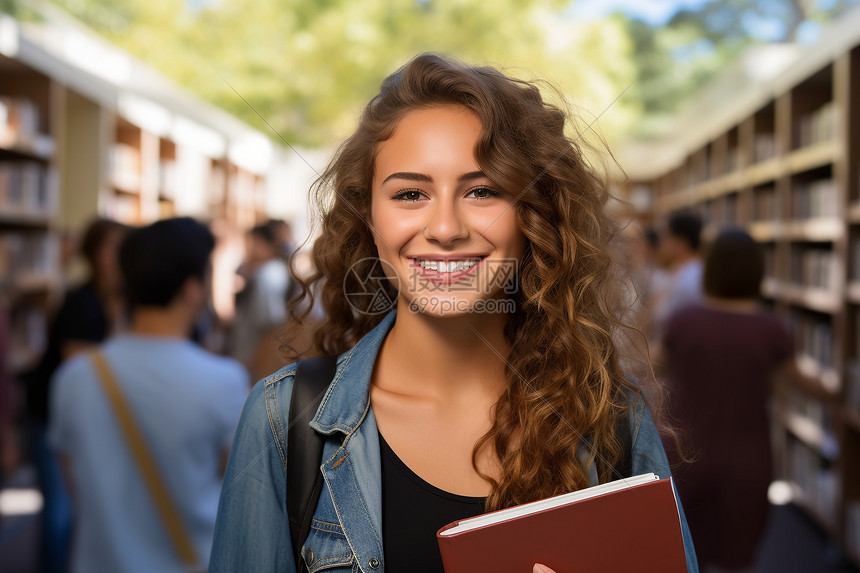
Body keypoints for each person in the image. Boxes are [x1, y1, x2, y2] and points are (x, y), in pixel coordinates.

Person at [210, 54, 698, 573]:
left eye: (483, 191)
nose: (445, 227)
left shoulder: (610, 417)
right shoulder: (285, 420)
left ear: (534, 217)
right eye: (411, 193)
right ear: (368, 216)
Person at [48, 217, 248, 573]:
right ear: (192, 288)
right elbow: (238, 490)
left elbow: (76, 484)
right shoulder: (225, 381)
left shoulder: (73, 378)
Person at [660, 228, 828, 573]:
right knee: (737, 559)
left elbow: (646, 368)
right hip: (746, 462)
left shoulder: (683, 322)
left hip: (685, 454)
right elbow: (804, 383)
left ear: (711, 270)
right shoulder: (771, 330)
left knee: (680, 553)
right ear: (757, 273)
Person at [20, 217, 129, 573]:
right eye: (112, 247)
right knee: (59, 513)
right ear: (94, 254)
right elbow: (79, 368)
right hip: (53, 416)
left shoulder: (125, 302)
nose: (119, 256)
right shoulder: (80, 301)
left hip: (93, 421)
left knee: (83, 512)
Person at [229, 219, 293, 380]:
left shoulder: (269, 274)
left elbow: (271, 322)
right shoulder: (263, 271)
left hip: (256, 358)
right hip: (251, 355)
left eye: (251, 243)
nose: (247, 249)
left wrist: (256, 359)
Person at [652, 212, 703, 337]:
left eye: (667, 236)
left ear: (680, 241)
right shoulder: (678, 269)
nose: (663, 242)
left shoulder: (694, 276)